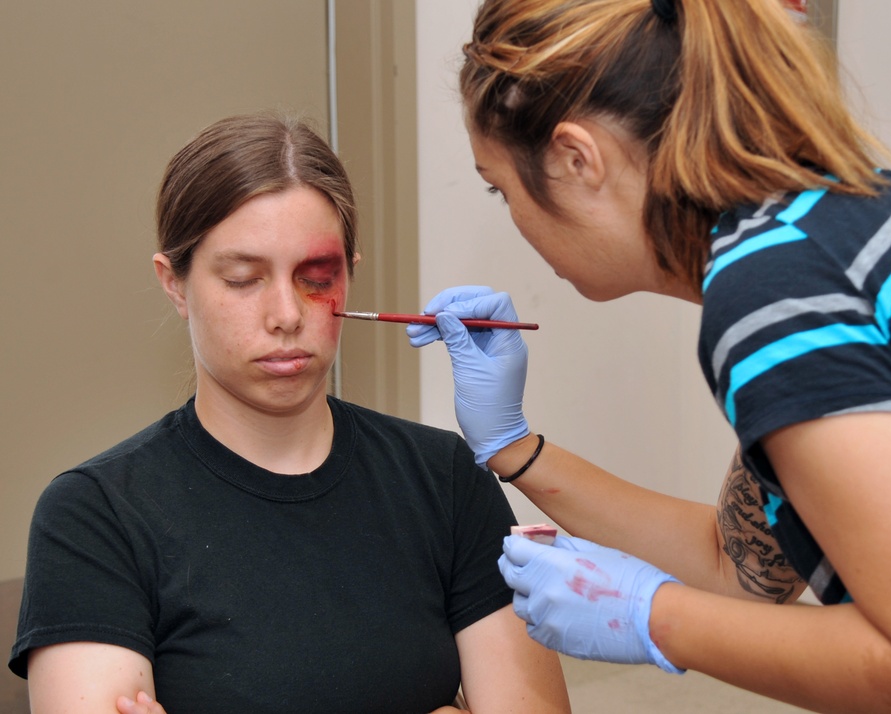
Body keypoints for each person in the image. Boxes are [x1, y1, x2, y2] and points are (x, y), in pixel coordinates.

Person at [406, 1, 891, 712]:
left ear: (576, 159)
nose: (517, 219)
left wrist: (651, 617)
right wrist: (513, 445)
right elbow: (741, 568)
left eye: (501, 189)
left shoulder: (775, 297)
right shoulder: (841, 223)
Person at [8, 112, 571, 714]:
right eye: (243, 279)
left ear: (349, 275)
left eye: (317, 278)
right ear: (174, 283)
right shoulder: (95, 515)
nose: (286, 315)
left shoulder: (444, 479)